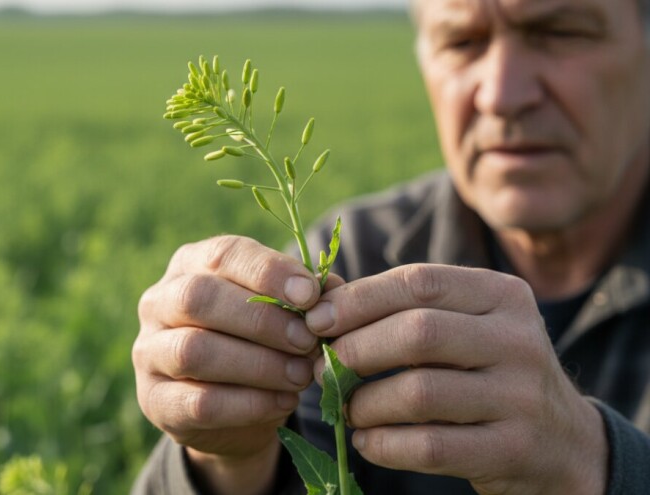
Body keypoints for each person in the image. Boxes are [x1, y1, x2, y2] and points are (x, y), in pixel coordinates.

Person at [131, 0, 650, 493]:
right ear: (423, 58)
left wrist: (592, 464)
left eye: (560, 32)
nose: (502, 94)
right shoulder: (357, 258)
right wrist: (229, 462)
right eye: (461, 41)